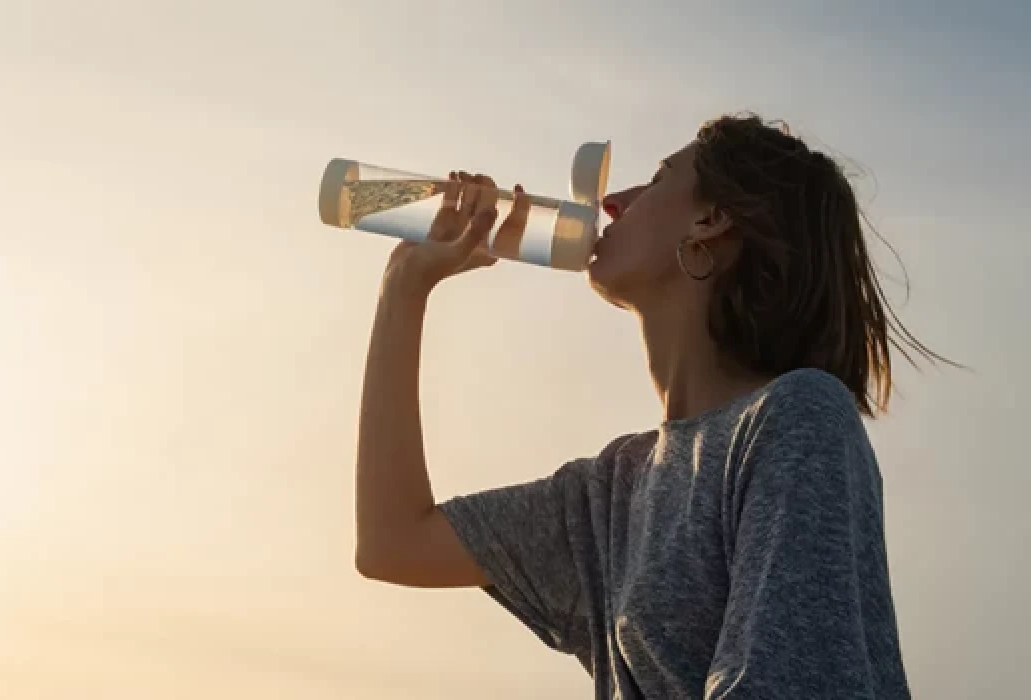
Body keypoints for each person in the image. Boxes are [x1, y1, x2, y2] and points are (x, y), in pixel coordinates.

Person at [353, 114, 941, 698]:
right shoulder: (614, 489)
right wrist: (404, 286)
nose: (611, 202)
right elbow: (395, 542)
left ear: (711, 219)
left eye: (658, 179)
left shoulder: (798, 418)